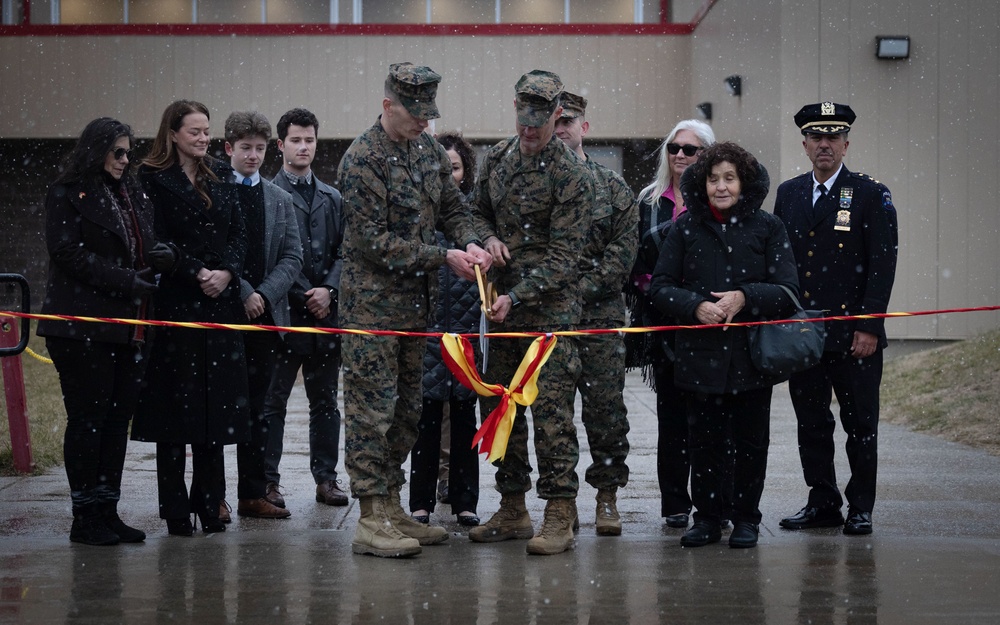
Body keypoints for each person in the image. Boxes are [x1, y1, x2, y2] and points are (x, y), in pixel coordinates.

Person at [337, 62, 491, 558]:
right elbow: (372, 241)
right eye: (414, 114)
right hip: (372, 313)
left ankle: (392, 507)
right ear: (388, 106)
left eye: (429, 113)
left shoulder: (426, 150)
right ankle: (368, 517)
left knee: (407, 412)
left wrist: (473, 239)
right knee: (371, 415)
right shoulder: (362, 159)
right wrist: (440, 255)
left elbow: (452, 206)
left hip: (415, 313)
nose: (424, 123)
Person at [467, 70, 594, 556]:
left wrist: (517, 295)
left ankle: (559, 511)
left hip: (549, 315)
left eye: (539, 124)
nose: (529, 132)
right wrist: (487, 238)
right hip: (500, 312)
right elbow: (475, 212)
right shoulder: (496, 157)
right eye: (523, 122)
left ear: (557, 115)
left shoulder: (572, 175)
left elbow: (566, 258)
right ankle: (513, 505)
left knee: (552, 413)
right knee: (501, 408)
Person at [649, 141, 799, 549]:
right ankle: (708, 519)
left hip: (752, 357)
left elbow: (787, 290)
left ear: (743, 182)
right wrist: (694, 305)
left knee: (751, 443)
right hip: (699, 358)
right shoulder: (685, 229)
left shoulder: (769, 228)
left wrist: (745, 297)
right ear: (702, 183)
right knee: (705, 443)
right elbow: (660, 287)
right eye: (713, 179)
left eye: (729, 178)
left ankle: (746, 518)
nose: (721, 187)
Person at [37, 117, 165, 545]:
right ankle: (84, 516)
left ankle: (108, 510)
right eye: (118, 152)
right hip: (82, 327)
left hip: (132, 327)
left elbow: (143, 246)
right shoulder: (67, 193)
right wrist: (125, 280)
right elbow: (67, 253)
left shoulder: (134, 194)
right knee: (88, 420)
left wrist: (161, 260)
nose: (125, 160)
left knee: (115, 422)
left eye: (129, 152)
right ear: (96, 151)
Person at [774, 102, 899, 536]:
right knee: (812, 424)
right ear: (805, 144)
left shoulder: (868, 194)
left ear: (846, 143)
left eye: (833, 136)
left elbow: (882, 265)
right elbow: (780, 261)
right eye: (816, 136)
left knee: (860, 424)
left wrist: (870, 325)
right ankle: (823, 500)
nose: (824, 144)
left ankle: (860, 506)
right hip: (804, 335)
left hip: (853, 334)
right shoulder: (788, 193)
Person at [131, 99, 250, 537]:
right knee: (174, 415)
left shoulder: (221, 177)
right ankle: (175, 510)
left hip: (220, 306)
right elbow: (153, 239)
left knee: (214, 415)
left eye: (206, 131)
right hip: (178, 304)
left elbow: (239, 235)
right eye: (194, 131)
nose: (203, 138)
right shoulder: (151, 179)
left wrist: (227, 272)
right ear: (174, 134)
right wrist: (194, 270)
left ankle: (209, 504)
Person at [625, 119, 718, 530]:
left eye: (691, 149)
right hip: (662, 325)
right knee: (673, 419)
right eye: (673, 148)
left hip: (711, 328)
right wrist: (668, 293)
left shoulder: (721, 200)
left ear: (708, 156)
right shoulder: (648, 202)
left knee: (711, 423)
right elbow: (635, 265)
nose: (680, 155)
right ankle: (675, 505)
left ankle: (712, 505)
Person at [553, 92, 638, 536]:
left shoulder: (611, 186)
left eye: (569, 120)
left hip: (598, 319)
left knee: (605, 413)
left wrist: (573, 292)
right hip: (547, 322)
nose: (561, 127)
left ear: (584, 126)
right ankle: (560, 503)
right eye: (555, 120)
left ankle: (607, 497)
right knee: (553, 417)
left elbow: (620, 257)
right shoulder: (533, 185)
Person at [262, 108, 348, 509]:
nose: (303, 147)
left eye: (309, 139)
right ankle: (267, 482)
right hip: (283, 316)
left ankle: (327, 479)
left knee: (326, 403)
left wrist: (328, 290)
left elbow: (345, 253)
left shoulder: (332, 198)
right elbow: (272, 256)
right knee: (273, 402)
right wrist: (303, 294)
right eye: (295, 140)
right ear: (281, 145)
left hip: (326, 317)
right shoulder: (267, 195)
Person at [222, 111, 302, 520]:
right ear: (228, 148)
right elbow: (213, 251)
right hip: (223, 315)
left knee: (258, 410)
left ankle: (253, 493)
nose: (252, 156)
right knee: (219, 409)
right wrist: (244, 291)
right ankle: (212, 496)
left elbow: (293, 256)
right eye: (244, 148)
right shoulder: (214, 191)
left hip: (266, 323)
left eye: (258, 149)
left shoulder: (279, 199)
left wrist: (264, 295)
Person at [408, 131, 482, 528]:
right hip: (428, 332)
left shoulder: (473, 219)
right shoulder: (419, 215)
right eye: (442, 168)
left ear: (465, 170)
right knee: (426, 421)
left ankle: (465, 501)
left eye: (454, 167)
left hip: (467, 334)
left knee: (465, 419)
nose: (448, 175)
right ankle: (419, 502)